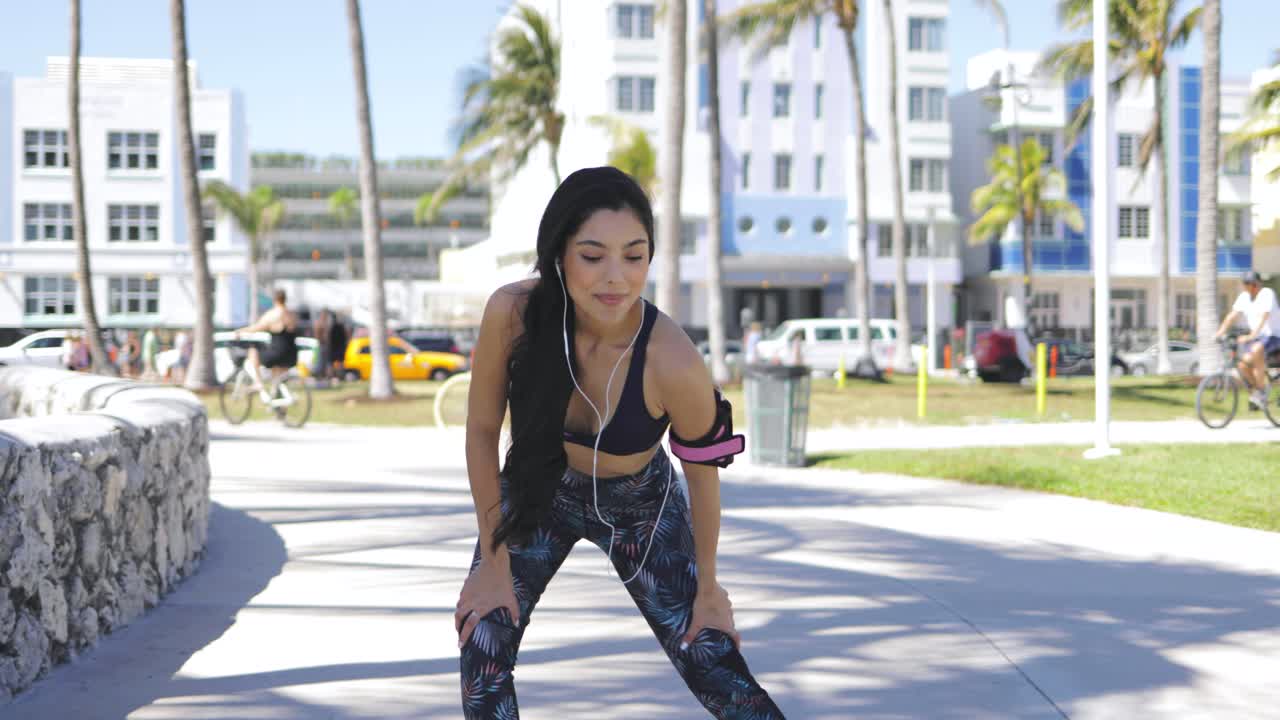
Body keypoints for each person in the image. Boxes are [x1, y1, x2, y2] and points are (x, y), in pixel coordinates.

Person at [454, 167, 784, 719]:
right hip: (541, 487)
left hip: (640, 506)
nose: (615, 278)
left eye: (634, 256)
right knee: (482, 641)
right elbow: (483, 431)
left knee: (710, 658)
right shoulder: (512, 314)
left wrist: (709, 589)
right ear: (559, 253)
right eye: (592, 255)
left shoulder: (673, 360)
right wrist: (492, 560)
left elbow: (703, 479)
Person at [1214, 270, 1280, 408]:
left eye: (1248, 284)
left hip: (1273, 336)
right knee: (1242, 365)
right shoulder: (1244, 297)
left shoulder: (1267, 294)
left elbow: (1264, 317)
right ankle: (1256, 392)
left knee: (1256, 350)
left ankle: (1262, 391)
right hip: (1258, 337)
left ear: (1256, 284)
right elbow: (1232, 316)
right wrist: (1219, 333)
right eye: (1245, 284)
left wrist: (1251, 336)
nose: (1246, 286)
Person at [234, 288, 298, 390]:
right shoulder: (292, 314)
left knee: (253, 350)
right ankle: (275, 397)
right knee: (276, 374)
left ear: (274, 300)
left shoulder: (273, 314)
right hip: (292, 355)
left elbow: (255, 328)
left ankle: (258, 382)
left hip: (278, 354)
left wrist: (240, 331)